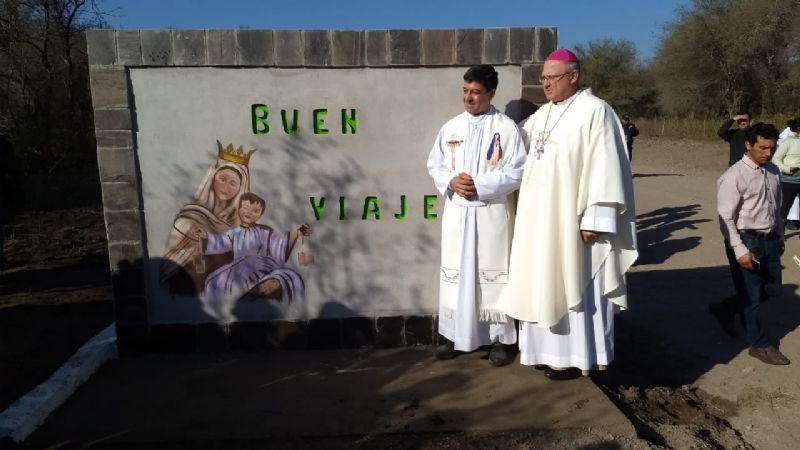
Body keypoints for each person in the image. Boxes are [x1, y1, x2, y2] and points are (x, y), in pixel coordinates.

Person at [498, 49, 638, 381]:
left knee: (575, 282)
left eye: (552, 78)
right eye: (543, 78)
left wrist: (596, 217)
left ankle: (577, 357)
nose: (545, 84)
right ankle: (544, 353)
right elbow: (517, 148)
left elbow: (607, 168)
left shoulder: (596, 112)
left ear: (573, 77)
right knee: (542, 280)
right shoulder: (542, 115)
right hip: (539, 222)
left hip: (574, 223)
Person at [426, 64, 527, 366]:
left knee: (492, 276)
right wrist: (451, 181)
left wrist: (480, 185)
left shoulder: (507, 128)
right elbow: (435, 164)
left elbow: (517, 170)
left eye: (476, 93)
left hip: (489, 213)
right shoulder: (451, 127)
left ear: (491, 94)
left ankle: (500, 340)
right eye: (465, 91)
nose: (468, 98)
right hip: (458, 213)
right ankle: (455, 336)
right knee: (457, 275)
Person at [710, 122, 789, 365]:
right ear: (748, 145)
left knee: (772, 288)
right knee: (751, 297)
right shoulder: (734, 176)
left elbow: (776, 208)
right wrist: (739, 249)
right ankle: (759, 344)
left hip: (770, 239)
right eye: (763, 148)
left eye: (772, 148)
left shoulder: (774, 171)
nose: (768, 153)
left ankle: (726, 308)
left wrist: (780, 235)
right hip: (747, 240)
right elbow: (725, 218)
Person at [198, 192, 312, 324]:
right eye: (245, 208)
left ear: (260, 214)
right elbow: (218, 242)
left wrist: (297, 233)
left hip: (262, 266)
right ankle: (223, 313)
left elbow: (280, 245)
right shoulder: (234, 233)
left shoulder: (265, 232)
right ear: (239, 209)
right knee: (215, 282)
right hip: (238, 267)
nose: (249, 212)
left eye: (255, 210)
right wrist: (205, 237)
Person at [160, 141, 253, 293]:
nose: (226, 187)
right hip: (186, 287)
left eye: (233, 183)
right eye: (222, 179)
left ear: (240, 189)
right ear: (212, 179)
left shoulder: (241, 224)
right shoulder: (190, 218)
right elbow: (173, 262)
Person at [771, 120, 800, 232]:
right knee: (786, 206)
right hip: (790, 180)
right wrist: (787, 169)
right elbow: (776, 159)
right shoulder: (788, 142)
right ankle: (780, 232)